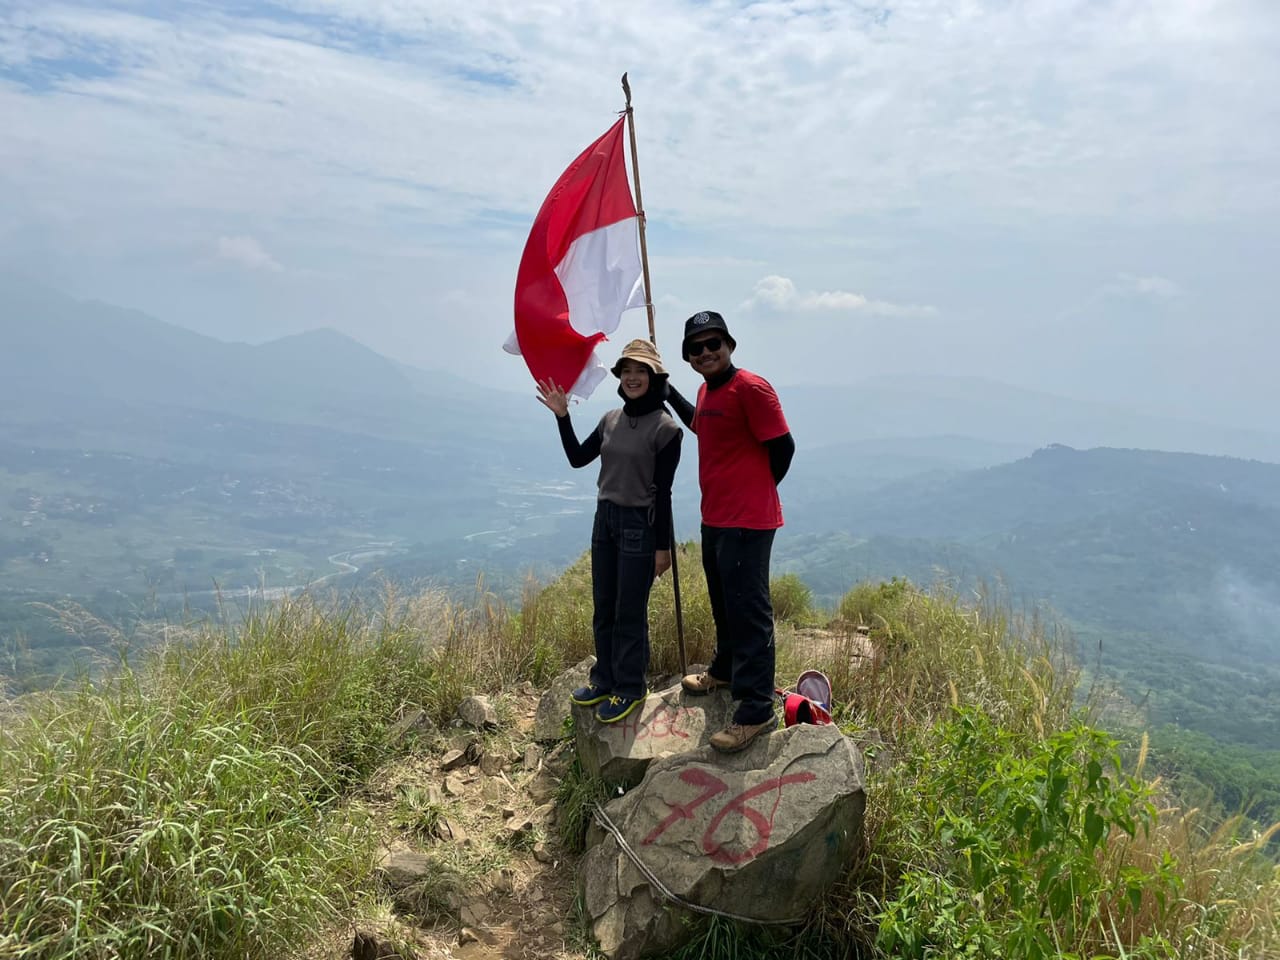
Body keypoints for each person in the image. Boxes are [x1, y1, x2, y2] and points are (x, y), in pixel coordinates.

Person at [665, 310, 795, 752]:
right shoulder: (706, 390)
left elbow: (783, 448)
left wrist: (756, 490)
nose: (706, 352)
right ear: (688, 357)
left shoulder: (752, 388)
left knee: (749, 613)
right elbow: (703, 424)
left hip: (747, 521)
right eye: (696, 347)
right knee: (723, 600)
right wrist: (668, 392)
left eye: (713, 343)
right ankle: (724, 670)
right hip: (715, 517)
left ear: (729, 345)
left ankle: (755, 708)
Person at [536, 339, 683, 724]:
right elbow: (577, 458)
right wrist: (562, 415)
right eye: (627, 371)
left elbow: (664, 493)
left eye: (641, 371)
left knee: (628, 612)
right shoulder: (610, 420)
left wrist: (663, 548)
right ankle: (604, 679)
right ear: (619, 377)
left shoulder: (667, 429)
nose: (633, 377)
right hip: (605, 520)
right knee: (604, 606)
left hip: (640, 525)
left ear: (654, 377)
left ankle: (630, 688)